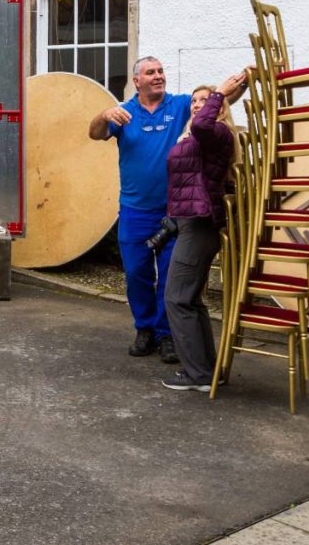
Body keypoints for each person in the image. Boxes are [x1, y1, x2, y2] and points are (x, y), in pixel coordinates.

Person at [89, 58, 245, 364]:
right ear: (137, 81)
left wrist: (239, 84)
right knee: (137, 274)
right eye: (151, 72)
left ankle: (166, 334)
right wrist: (104, 114)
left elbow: (219, 103)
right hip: (134, 210)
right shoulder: (125, 112)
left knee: (171, 277)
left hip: (175, 212)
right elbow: (94, 133)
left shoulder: (181, 105)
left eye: (161, 71)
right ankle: (144, 328)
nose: (158, 76)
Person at [160, 75, 246, 392]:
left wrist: (221, 93)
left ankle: (197, 374)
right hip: (191, 222)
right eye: (194, 101)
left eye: (204, 100)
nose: (197, 105)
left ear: (220, 107)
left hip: (198, 224)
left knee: (176, 299)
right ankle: (208, 370)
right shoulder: (197, 137)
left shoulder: (217, 132)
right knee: (191, 300)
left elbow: (202, 126)